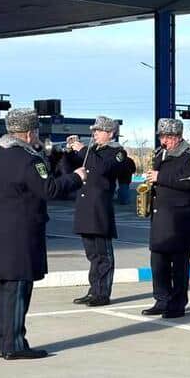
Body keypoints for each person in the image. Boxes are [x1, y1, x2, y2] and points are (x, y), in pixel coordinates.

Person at [0, 108, 86, 359]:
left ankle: (3, 343)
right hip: (21, 233)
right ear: (28, 133)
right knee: (19, 289)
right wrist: (76, 178)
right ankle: (15, 346)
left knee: (4, 289)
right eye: (36, 131)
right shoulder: (30, 159)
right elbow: (49, 189)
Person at [140, 118, 190, 318]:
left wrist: (160, 177)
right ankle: (161, 299)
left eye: (167, 137)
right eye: (161, 137)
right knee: (158, 263)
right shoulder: (159, 154)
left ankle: (177, 304)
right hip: (160, 218)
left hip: (180, 220)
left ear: (178, 137)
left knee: (179, 265)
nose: (163, 141)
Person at [69, 116, 127, 307]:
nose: (94, 134)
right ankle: (94, 290)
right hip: (85, 207)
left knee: (103, 255)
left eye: (98, 131)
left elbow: (102, 168)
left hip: (100, 208)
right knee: (92, 255)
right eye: (94, 131)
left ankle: (103, 293)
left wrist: (83, 149)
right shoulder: (92, 151)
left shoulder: (117, 152)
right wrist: (69, 152)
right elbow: (68, 169)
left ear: (110, 133)